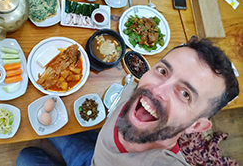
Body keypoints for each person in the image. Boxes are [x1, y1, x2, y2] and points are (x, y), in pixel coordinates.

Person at [17, 37, 239, 166]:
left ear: (197, 126)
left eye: (185, 94)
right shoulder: (133, 90)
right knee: (47, 123)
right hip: (94, 155)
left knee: (25, 158)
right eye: (163, 71)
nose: (156, 91)